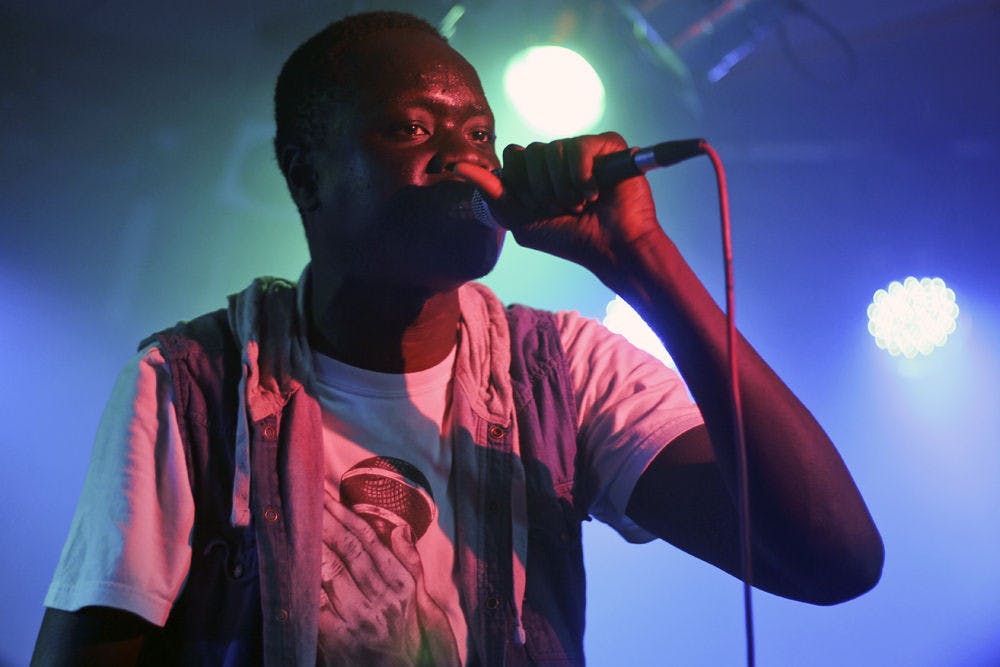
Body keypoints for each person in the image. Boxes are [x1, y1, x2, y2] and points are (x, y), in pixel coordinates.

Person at [32, 10, 883, 666]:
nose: (461, 157)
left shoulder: (563, 369)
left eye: (477, 132)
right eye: (411, 130)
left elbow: (832, 560)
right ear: (305, 174)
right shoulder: (196, 379)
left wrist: (644, 262)